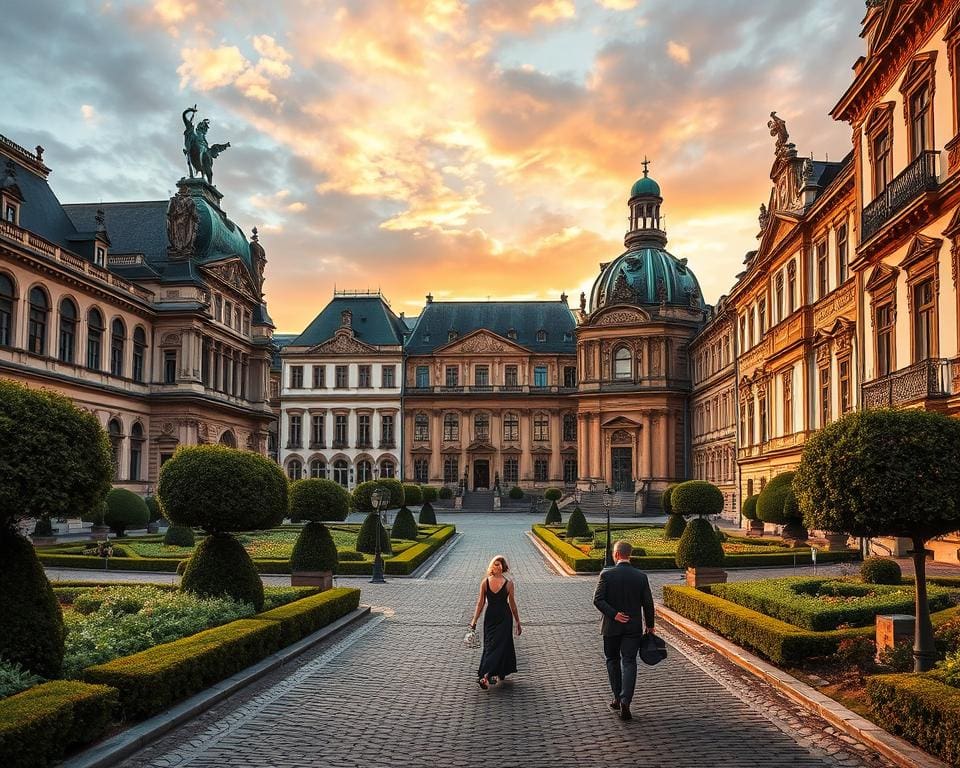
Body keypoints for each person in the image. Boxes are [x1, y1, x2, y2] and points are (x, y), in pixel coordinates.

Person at [593, 540, 655, 721]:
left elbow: (598, 600)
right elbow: (648, 605)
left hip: (611, 627)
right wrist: (650, 626)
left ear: (617, 554)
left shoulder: (606, 574)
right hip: (633, 627)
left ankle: (616, 698)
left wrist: (614, 614)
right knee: (629, 662)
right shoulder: (641, 576)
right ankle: (626, 699)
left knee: (612, 660)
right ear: (630, 554)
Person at [470, 554, 521, 689]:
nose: (497, 566)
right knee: (490, 646)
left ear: (503, 567)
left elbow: (513, 605)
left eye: (500, 564)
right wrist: (474, 621)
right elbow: (480, 603)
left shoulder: (509, 584)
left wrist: (518, 622)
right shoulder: (485, 582)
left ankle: (493, 674)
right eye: (495, 563)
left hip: (505, 619)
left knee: (503, 646)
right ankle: (487, 675)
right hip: (490, 618)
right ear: (491, 566)